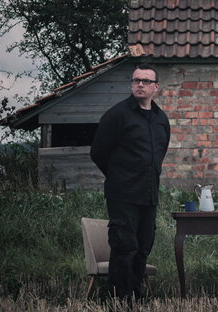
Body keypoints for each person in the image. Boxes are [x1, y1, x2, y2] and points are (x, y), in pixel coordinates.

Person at [90, 64, 170, 299]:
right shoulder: (117, 115)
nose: (140, 85)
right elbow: (98, 153)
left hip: (149, 194)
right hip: (122, 194)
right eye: (136, 80)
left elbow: (160, 153)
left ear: (156, 87)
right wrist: (119, 177)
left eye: (146, 81)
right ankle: (118, 299)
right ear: (131, 84)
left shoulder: (161, 119)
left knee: (143, 247)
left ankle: (137, 296)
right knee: (125, 247)